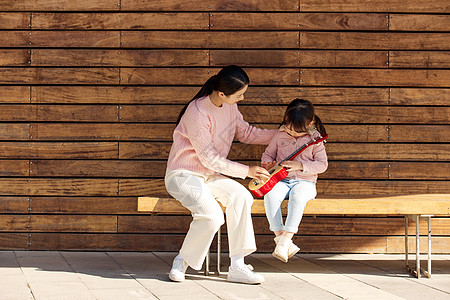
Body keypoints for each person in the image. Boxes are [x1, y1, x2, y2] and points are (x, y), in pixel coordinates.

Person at [164, 65, 277, 284]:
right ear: (222, 93)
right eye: (240, 94)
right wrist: (247, 171)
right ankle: (182, 261)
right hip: (183, 174)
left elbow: (247, 133)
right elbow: (208, 158)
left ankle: (237, 265)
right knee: (213, 215)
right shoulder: (197, 112)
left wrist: (284, 134)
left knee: (242, 196)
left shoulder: (230, 106)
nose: (242, 98)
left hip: (210, 176)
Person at [261, 99, 328, 263]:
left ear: (310, 123)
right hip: (281, 180)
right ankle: (280, 238)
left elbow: (322, 165)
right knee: (270, 195)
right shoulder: (279, 135)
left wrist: (300, 165)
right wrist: (267, 163)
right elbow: (268, 154)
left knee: (298, 198)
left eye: (297, 131)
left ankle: (286, 237)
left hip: (305, 182)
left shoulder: (316, 140)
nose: (292, 133)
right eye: (289, 128)